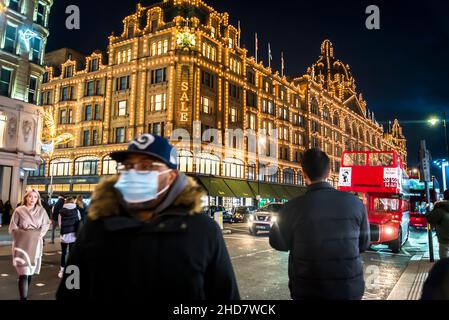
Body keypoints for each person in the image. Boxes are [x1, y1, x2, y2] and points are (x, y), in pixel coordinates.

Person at [56, 134, 239, 300]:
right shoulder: (96, 227)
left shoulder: (204, 231)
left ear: (171, 176)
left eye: (146, 166)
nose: (134, 173)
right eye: (128, 166)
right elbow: (70, 290)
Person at [269, 148, 370, 300]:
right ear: (329, 173)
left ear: (303, 174)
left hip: (307, 291)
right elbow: (363, 244)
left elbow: (277, 243)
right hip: (349, 290)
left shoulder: (290, 208)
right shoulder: (356, 204)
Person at [8, 189, 51, 300]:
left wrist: (37, 235)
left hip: (35, 244)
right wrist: (24, 234)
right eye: (30, 196)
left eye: (35, 197)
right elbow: (13, 227)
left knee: (30, 272)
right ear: (26, 197)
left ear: (38, 199)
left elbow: (46, 224)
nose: (32, 199)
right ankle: (23, 298)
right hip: (21, 244)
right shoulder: (19, 210)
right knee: (23, 273)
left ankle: (25, 292)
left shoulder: (42, 211)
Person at [58, 197, 81, 278]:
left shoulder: (61, 211)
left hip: (64, 235)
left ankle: (62, 271)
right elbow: (79, 221)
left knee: (64, 253)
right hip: (74, 235)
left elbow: (60, 224)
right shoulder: (76, 211)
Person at [426, 190, 449, 259]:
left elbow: (429, 218)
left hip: (444, 241)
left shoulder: (440, 209)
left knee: (444, 262)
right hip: (444, 240)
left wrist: (433, 207)